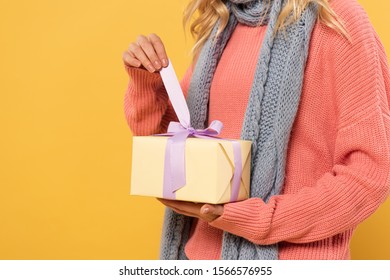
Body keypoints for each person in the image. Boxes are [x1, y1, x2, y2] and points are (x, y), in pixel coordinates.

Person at [122, 0, 390, 260]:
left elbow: (369, 175)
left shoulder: (337, 18)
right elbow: (174, 146)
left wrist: (260, 218)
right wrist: (147, 82)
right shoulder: (221, 23)